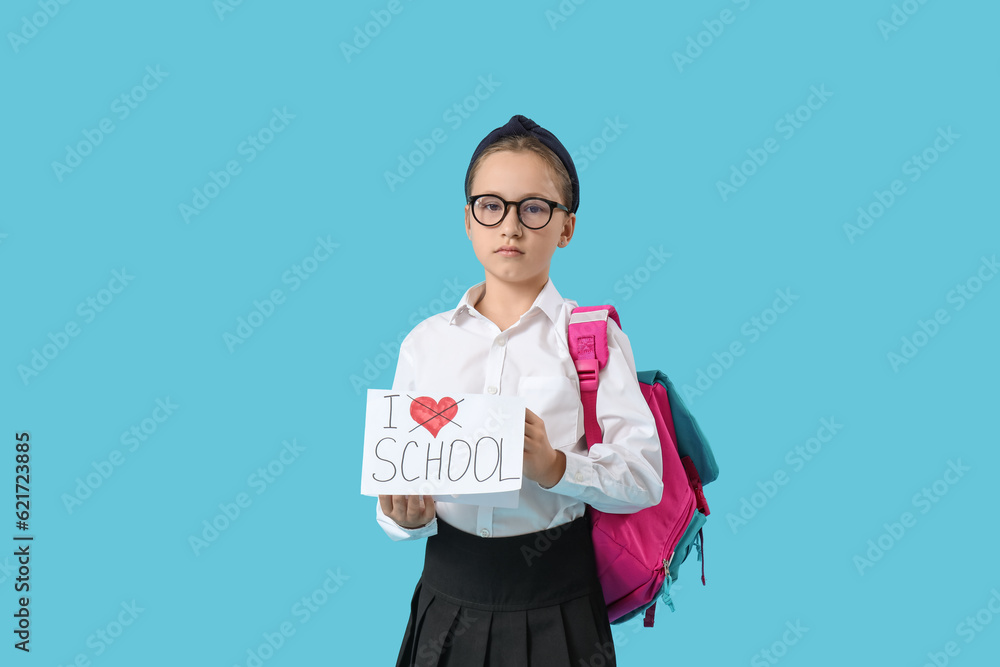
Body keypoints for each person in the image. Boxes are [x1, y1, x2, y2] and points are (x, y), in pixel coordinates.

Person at [376, 114, 663, 666]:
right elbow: (398, 490)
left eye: (534, 208)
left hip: (558, 603)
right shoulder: (425, 343)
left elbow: (644, 479)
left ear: (566, 227)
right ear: (468, 219)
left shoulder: (592, 336)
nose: (510, 227)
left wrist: (555, 465)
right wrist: (405, 520)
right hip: (446, 598)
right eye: (492, 205)